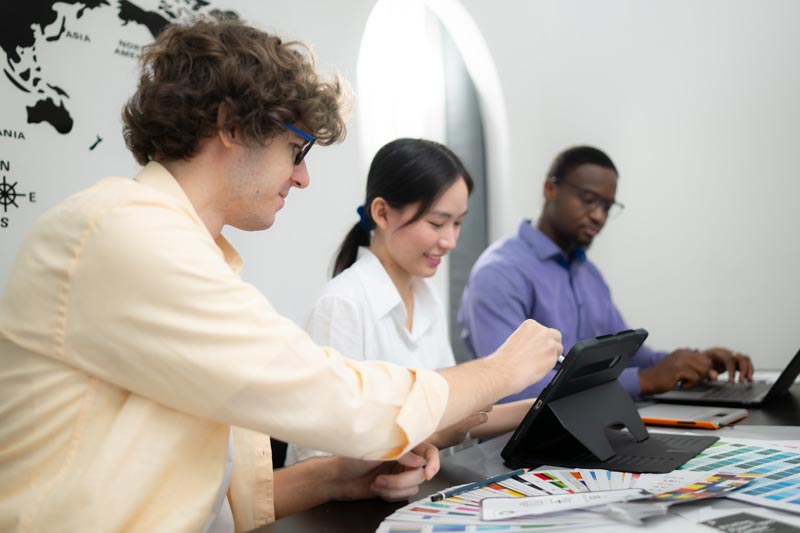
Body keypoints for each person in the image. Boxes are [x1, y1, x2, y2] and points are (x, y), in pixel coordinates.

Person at [0, 16, 563, 532]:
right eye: (296, 150)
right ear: (231, 125)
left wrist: (336, 478)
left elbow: (202, 492)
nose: (303, 179)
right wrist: (499, 371)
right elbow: (338, 397)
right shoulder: (120, 233)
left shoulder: (186, 251)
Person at [287, 138, 534, 465]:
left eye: (457, 223)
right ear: (382, 213)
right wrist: (435, 435)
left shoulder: (426, 297)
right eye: (436, 223)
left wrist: (541, 405)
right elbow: (320, 457)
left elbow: (452, 411)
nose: (450, 241)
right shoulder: (341, 306)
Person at [458, 145, 752, 403]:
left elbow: (629, 356)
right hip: (515, 450)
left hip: (586, 432)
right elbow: (511, 390)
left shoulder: (588, 273)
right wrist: (644, 381)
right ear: (550, 189)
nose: (598, 215)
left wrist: (695, 362)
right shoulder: (499, 272)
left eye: (607, 206)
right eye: (588, 199)